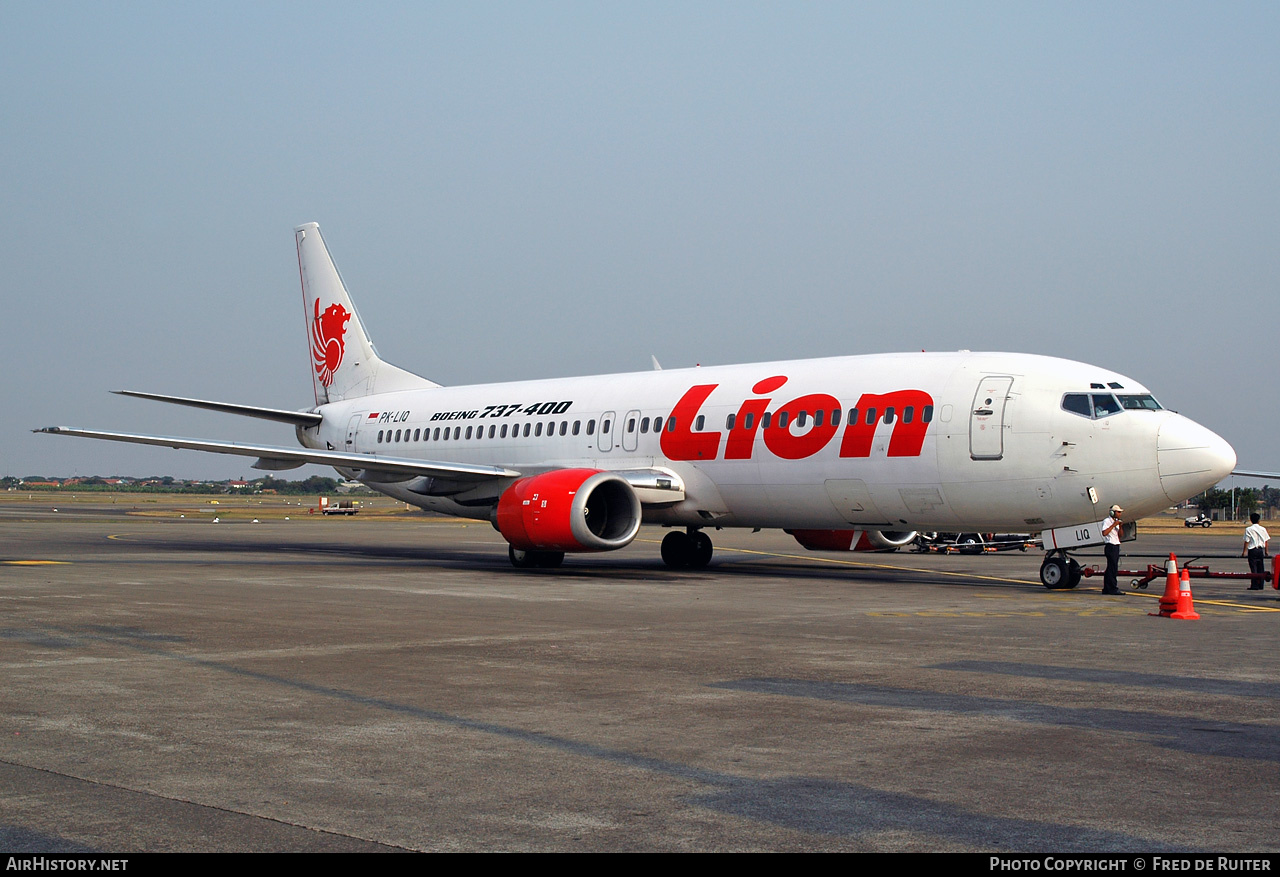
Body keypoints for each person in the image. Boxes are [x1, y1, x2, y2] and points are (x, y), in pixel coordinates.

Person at [1242, 512, 1270, 590]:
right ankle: (1261, 584)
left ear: (1251, 520)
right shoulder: (1263, 529)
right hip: (1260, 550)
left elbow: (1247, 541)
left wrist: (1244, 551)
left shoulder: (1249, 529)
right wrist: (1266, 551)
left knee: (1253, 568)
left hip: (1252, 550)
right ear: (1259, 520)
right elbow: (1266, 541)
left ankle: (1254, 585)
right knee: (1261, 568)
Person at [1100, 504, 1124, 595]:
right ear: (1112, 512)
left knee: (1112, 568)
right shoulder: (1107, 521)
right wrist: (1113, 525)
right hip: (1111, 546)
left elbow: (1120, 535)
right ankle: (1112, 588)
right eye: (1118, 512)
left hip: (1116, 545)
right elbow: (1104, 533)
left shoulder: (1117, 522)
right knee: (1112, 568)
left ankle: (1107, 588)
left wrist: (1120, 526)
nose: (1120, 514)